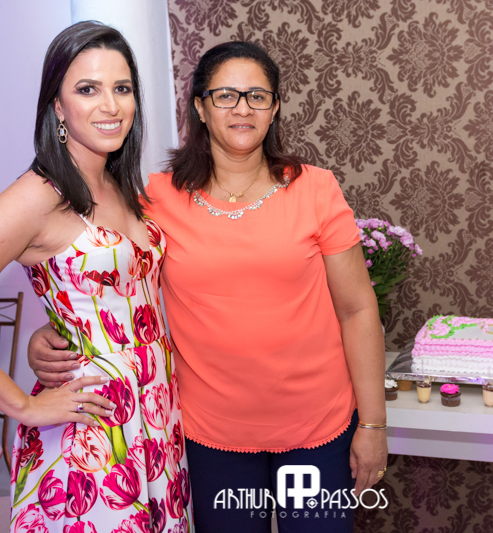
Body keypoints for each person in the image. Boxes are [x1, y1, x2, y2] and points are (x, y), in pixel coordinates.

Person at [29, 40, 387, 533]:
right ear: (200, 107)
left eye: (257, 96)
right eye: (225, 96)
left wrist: (373, 424)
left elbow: (358, 310)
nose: (242, 108)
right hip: (210, 435)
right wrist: (54, 331)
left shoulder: (316, 188)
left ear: (275, 107)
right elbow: (106, 275)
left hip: (317, 429)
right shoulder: (155, 198)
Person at [0, 21, 192, 532]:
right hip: (92, 430)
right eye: (88, 89)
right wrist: (21, 405)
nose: (111, 105)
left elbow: (110, 294)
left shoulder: (120, 186)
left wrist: (56, 327)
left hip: (155, 414)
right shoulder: (37, 196)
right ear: (58, 106)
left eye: (122, 88)